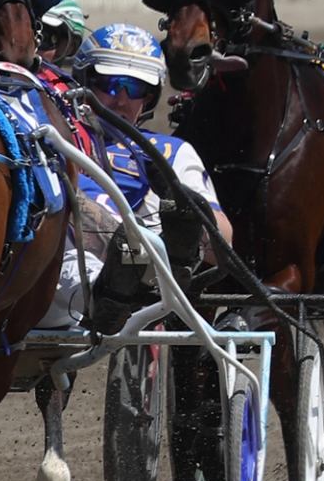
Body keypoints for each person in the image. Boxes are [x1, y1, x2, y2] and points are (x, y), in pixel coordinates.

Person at [48, 22, 229, 327]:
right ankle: (108, 290)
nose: (120, 99)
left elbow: (223, 243)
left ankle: (131, 274)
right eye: (109, 83)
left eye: (134, 88)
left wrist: (176, 200)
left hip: (151, 266)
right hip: (64, 272)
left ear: (149, 96)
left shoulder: (169, 151)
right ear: (83, 81)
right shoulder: (56, 140)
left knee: (175, 214)